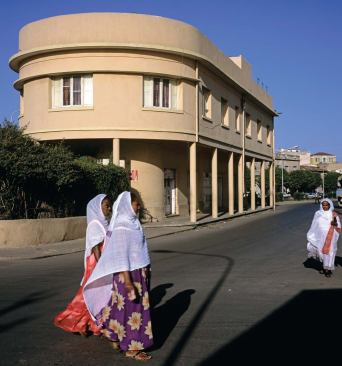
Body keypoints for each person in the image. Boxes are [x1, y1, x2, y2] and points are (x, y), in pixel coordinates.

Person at [84, 191, 153, 361]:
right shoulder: (122, 227)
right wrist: (129, 283)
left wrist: (147, 269)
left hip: (138, 273)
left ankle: (114, 334)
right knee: (134, 312)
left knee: (121, 308)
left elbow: (140, 250)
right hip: (128, 275)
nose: (139, 207)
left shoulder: (134, 223)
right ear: (128, 205)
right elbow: (121, 256)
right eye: (136, 204)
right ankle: (133, 348)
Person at [54, 194, 111, 335]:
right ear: (98, 207)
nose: (109, 208)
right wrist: (102, 267)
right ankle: (72, 320)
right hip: (96, 264)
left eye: (110, 205)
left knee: (98, 294)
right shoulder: (94, 225)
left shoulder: (104, 222)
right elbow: (96, 248)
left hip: (103, 262)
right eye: (106, 206)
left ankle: (89, 324)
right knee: (90, 294)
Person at [307, 198, 341, 277]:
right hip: (320, 237)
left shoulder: (334, 214)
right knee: (321, 252)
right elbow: (314, 225)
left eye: (326, 205)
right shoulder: (318, 213)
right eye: (323, 205)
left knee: (331, 252)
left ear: (330, 205)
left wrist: (335, 224)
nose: (325, 206)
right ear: (321, 205)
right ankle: (324, 266)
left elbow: (338, 226)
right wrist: (312, 234)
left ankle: (328, 269)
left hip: (331, 236)